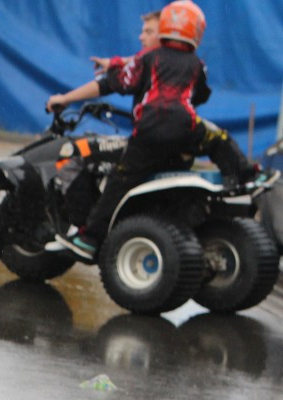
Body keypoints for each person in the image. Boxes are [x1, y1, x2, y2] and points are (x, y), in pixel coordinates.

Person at [44, 1, 271, 262]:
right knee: (218, 138)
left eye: (147, 31)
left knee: (120, 181)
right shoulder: (197, 64)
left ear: (164, 28)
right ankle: (246, 175)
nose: (142, 36)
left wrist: (67, 98)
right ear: (196, 31)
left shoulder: (148, 59)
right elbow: (201, 94)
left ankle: (89, 238)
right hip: (186, 127)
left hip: (149, 132)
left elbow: (110, 84)